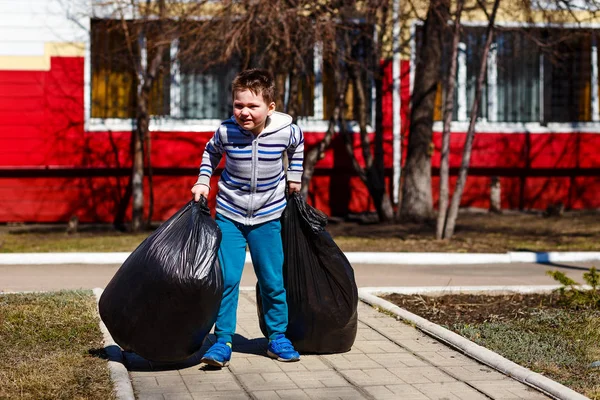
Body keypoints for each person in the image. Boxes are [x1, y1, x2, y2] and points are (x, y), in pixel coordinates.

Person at [191, 68, 304, 367]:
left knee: (272, 280)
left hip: (268, 217)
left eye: (252, 106)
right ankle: (223, 340)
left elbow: (298, 145)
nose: (244, 112)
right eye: (238, 105)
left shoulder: (286, 130)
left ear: (270, 107)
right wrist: (204, 180)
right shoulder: (225, 131)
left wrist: (295, 175)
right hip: (230, 215)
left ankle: (277, 337)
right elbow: (210, 153)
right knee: (227, 279)